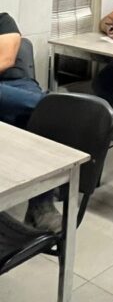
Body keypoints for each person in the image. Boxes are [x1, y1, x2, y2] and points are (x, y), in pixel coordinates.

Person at [0, 12, 61, 232]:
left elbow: (5, 60)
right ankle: (58, 108)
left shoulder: (3, 21)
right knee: (47, 112)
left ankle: (41, 205)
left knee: (40, 120)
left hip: (16, 85)